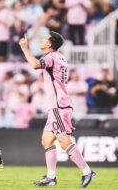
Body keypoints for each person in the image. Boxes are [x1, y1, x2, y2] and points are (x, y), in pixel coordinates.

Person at [18, 31, 95, 188]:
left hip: (59, 106)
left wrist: (25, 48)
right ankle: (51, 177)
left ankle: (87, 172)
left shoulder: (51, 57)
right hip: (58, 105)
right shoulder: (60, 57)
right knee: (46, 141)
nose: (42, 39)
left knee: (64, 141)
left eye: (45, 38)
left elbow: (34, 65)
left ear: (49, 44)